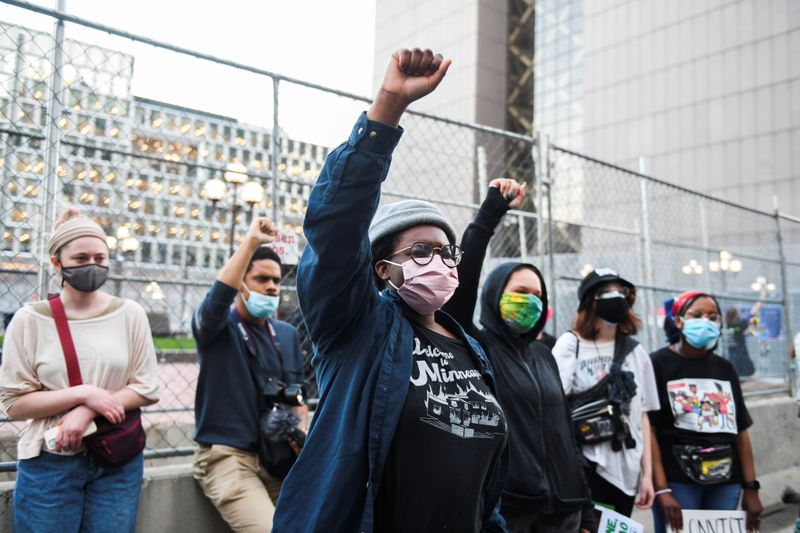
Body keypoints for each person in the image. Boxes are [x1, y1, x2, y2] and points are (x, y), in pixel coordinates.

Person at [273, 48, 508, 533]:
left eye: (448, 252)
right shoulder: (359, 329)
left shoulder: (469, 346)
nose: (440, 261)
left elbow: (484, 483)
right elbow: (337, 228)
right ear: (381, 268)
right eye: (422, 250)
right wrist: (388, 109)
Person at [443, 179, 594, 533]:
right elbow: (461, 286)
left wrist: (585, 511)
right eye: (520, 292)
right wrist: (489, 216)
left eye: (537, 295)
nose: (531, 301)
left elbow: (565, 436)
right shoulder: (477, 348)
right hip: (511, 512)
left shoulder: (545, 355)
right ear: (496, 296)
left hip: (565, 512)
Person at [0, 208, 159, 533]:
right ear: (57, 262)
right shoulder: (29, 320)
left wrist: (87, 409)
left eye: (100, 257)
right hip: (50, 462)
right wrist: (84, 393)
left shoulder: (130, 314)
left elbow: (147, 388)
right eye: (81, 257)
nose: (93, 265)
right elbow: (14, 403)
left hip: (118, 459)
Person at [192, 218, 308, 533]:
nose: (272, 286)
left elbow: (298, 397)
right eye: (261, 279)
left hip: (279, 456)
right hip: (229, 457)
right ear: (240, 285)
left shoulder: (286, 334)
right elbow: (216, 301)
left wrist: (301, 434)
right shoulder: (218, 330)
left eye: (276, 280)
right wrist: (251, 243)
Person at [650, 291, 763, 533]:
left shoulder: (726, 369)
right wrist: (662, 489)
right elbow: (649, 430)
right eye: (697, 315)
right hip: (678, 481)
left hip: (726, 481)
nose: (706, 321)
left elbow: (740, 430)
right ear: (679, 321)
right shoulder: (657, 364)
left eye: (713, 317)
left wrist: (750, 488)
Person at [552, 268, 659, 518]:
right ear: (589, 302)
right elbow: (555, 407)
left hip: (629, 471)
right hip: (586, 467)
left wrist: (648, 477)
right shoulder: (571, 345)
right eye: (605, 292)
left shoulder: (636, 352)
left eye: (620, 291)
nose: (615, 297)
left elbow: (642, 417)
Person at [723, 300, 762, 379]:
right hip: (740, 356)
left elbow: (752, 322)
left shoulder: (724, 326)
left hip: (728, 356)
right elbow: (752, 315)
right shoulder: (739, 324)